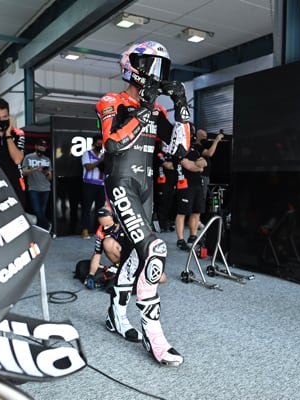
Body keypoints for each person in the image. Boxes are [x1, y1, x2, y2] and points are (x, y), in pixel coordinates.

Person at [95, 40, 198, 367]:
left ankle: (115, 314)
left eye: (161, 67)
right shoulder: (111, 101)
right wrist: (144, 109)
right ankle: (155, 337)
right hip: (121, 183)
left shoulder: (158, 110)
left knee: (133, 254)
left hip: (146, 188)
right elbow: (112, 144)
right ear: (131, 66)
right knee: (155, 249)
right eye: (149, 65)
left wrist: (181, 106)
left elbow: (179, 150)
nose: (155, 74)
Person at [175, 133, 207, 251]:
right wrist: (196, 165)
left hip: (197, 184)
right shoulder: (178, 150)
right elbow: (188, 166)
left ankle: (193, 237)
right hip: (185, 185)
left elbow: (204, 164)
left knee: (197, 211)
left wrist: (197, 165)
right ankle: (180, 240)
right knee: (182, 212)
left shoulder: (194, 150)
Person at [21, 139, 53, 230]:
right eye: (40, 146)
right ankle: (47, 226)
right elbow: (24, 172)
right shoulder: (28, 157)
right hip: (33, 188)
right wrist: (35, 169)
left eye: (44, 147)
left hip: (46, 188)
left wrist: (47, 173)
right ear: (36, 146)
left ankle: (41, 231)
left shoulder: (47, 159)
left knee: (42, 211)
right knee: (37, 210)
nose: (42, 148)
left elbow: (50, 178)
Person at [80, 135, 106, 239]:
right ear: (94, 144)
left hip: (101, 185)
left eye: (101, 144)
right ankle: (85, 230)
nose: (99, 146)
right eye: (98, 144)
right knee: (86, 208)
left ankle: (97, 230)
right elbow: (88, 167)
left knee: (99, 209)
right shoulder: (87, 154)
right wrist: (100, 161)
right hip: (89, 184)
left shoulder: (104, 155)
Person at [193, 128, 224, 201]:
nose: (205, 138)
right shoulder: (196, 146)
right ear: (198, 136)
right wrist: (216, 140)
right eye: (203, 136)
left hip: (206, 176)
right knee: (201, 198)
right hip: (201, 176)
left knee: (204, 197)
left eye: (206, 137)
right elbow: (209, 153)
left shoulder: (202, 146)